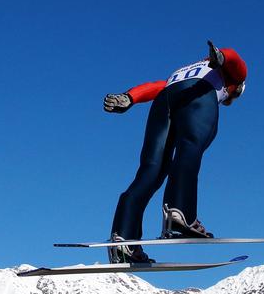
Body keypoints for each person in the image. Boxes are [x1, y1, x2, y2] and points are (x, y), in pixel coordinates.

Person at [103, 41, 247, 263]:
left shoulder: (184, 71)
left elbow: (158, 86)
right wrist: (223, 57)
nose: (227, 100)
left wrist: (130, 96)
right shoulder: (225, 76)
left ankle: (124, 240)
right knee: (190, 147)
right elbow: (238, 63)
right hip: (198, 95)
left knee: (151, 169)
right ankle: (180, 214)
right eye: (230, 97)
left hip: (165, 98)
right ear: (234, 87)